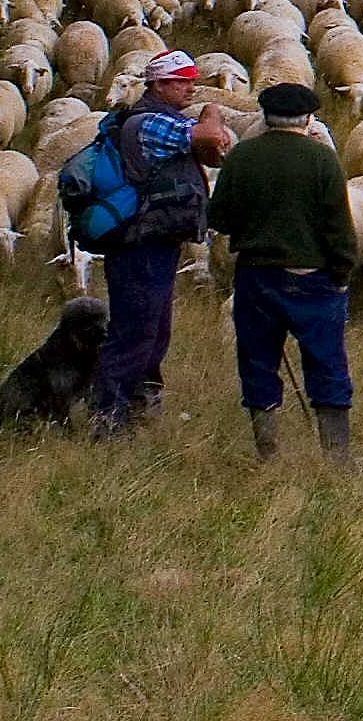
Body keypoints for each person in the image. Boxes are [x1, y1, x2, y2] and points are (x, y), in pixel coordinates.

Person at [207, 81, 360, 464]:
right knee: (326, 361)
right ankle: (337, 457)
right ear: (308, 119)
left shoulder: (242, 156)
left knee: (258, 359)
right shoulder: (322, 159)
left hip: (257, 277)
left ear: (265, 116)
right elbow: (339, 227)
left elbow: (219, 218)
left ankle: (267, 451)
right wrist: (342, 274)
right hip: (315, 278)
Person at [88, 50, 232, 438]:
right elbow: (210, 136)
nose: (191, 88)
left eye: (192, 81)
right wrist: (213, 110)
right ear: (159, 84)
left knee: (153, 329)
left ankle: (137, 406)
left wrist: (207, 122)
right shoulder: (149, 123)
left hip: (158, 240)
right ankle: (108, 416)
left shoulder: (165, 120)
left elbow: (216, 155)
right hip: (140, 243)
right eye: (182, 81)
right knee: (134, 330)